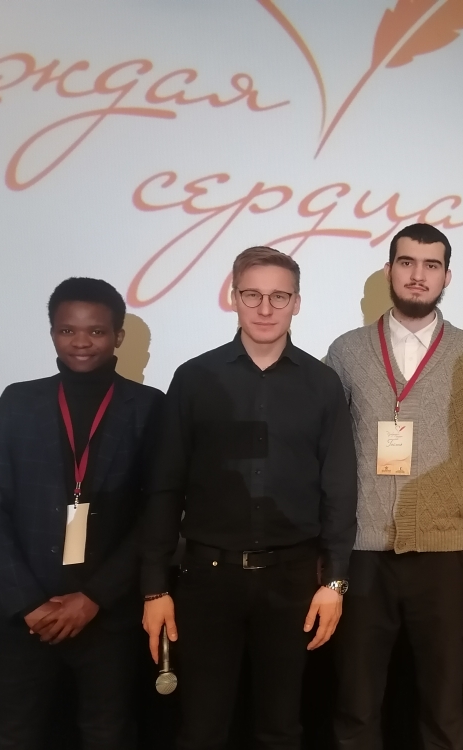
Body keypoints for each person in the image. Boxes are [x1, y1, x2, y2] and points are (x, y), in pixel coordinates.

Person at [141, 247, 357, 750]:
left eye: (279, 296)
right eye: (253, 295)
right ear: (233, 297)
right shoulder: (194, 378)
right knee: (201, 728)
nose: (265, 308)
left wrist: (336, 581)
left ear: (297, 303)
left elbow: (339, 488)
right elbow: (165, 486)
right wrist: (153, 588)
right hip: (206, 580)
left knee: (281, 729)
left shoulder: (323, 384)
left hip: (293, 581)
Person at [325, 222, 463, 750]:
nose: (418, 275)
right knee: (356, 706)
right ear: (389, 270)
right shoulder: (346, 351)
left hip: (446, 557)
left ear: (447, 276)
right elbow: (327, 457)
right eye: (407, 262)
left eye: (431, 265)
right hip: (363, 555)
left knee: (444, 708)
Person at [0, 277, 163, 750]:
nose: (80, 342)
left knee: (107, 735)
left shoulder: (150, 408)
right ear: (52, 332)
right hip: (22, 616)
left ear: (118, 336)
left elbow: (157, 515)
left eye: (96, 331)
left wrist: (94, 597)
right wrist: (29, 604)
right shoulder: (18, 402)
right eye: (67, 330)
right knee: (13, 738)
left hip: (106, 616)